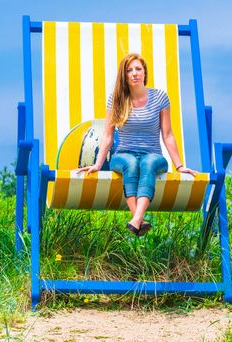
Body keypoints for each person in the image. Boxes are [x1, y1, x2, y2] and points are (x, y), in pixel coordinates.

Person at [77, 53, 198, 236]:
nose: (134, 73)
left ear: (145, 73)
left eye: (138, 69)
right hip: (123, 155)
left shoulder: (160, 98)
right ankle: (139, 219)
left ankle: (136, 219)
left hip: (153, 155)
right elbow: (108, 137)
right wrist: (97, 164)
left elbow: (168, 134)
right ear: (124, 76)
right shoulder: (116, 100)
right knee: (131, 164)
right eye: (129, 70)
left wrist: (179, 166)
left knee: (147, 164)